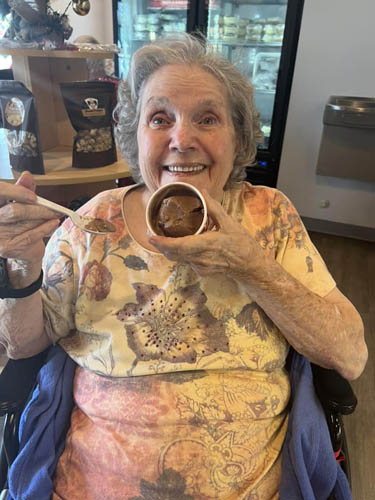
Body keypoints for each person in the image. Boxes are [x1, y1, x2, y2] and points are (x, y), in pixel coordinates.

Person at [0, 34, 367, 499]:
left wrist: (250, 265)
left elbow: (349, 356)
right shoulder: (91, 223)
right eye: (160, 118)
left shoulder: (269, 216)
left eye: (207, 119)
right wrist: (20, 266)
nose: (182, 139)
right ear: (136, 134)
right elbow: (24, 342)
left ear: (237, 137)